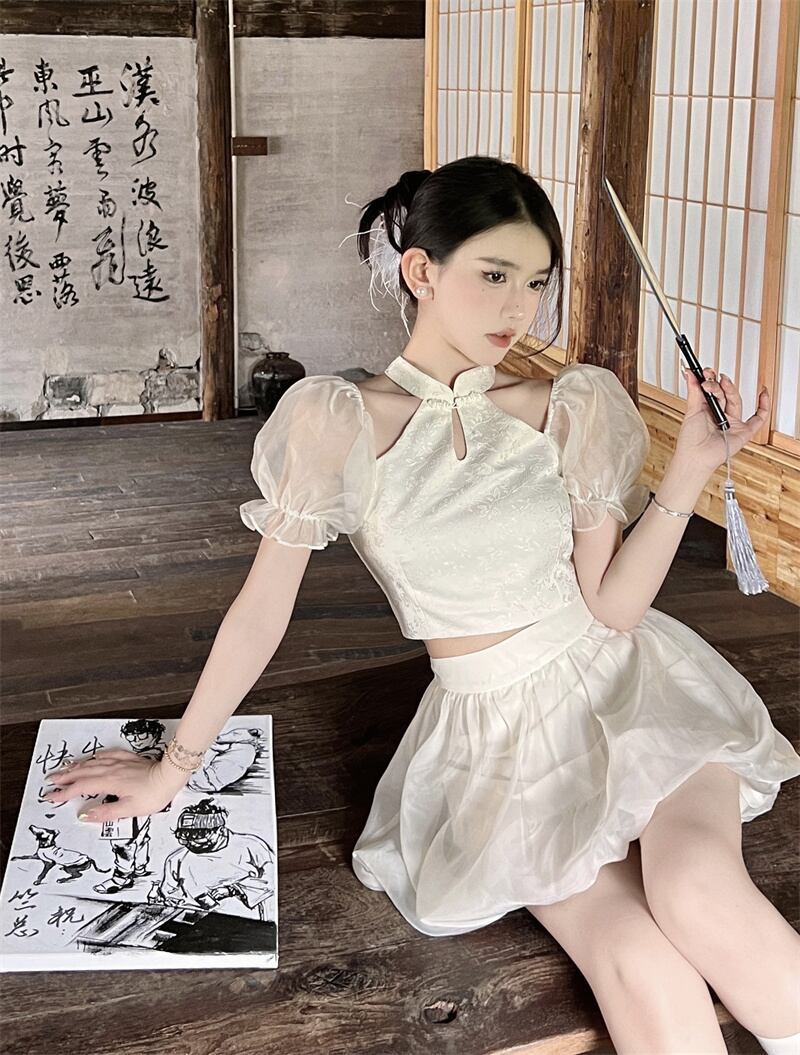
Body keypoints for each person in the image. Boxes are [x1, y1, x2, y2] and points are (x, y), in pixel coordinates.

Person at [44, 156, 800, 1054]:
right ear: (421, 270)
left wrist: (693, 468)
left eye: (536, 283)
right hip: (494, 741)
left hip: (629, 690)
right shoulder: (338, 418)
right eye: (494, 274)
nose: (519, 308)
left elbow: (613, 608)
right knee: (639, 959)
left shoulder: (568, 403)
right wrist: (173, 769)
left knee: (695, 889)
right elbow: (260, 611)